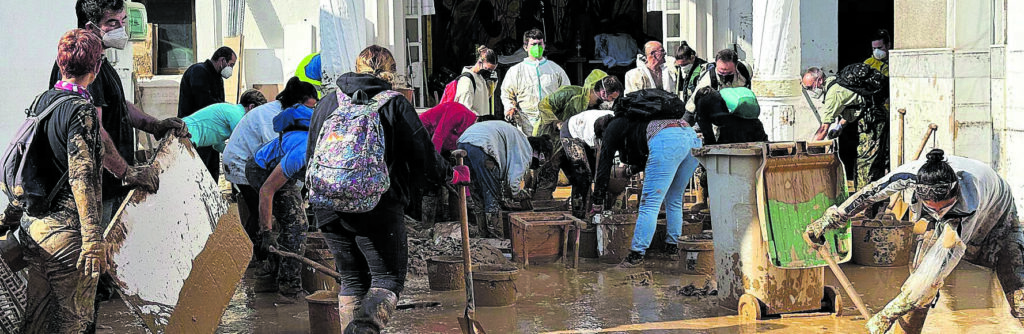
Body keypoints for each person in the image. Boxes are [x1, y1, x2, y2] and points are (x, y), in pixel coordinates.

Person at [307, 45, 457, 333]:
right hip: (377, 206)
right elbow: (423, 157)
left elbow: (311, 155)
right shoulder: (394, 104)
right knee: (387, 279)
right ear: (392, 72)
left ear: (356, 67)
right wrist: (451, 174)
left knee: (351, 279)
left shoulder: (327, 103)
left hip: (327, 203)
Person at [805, 149, 1024, 334]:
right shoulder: (907, 176)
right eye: (931, 206)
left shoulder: (969, 201)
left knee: (1019, 292)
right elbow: (868, 194)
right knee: (919, 289)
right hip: (942, 222)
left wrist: (887, 314)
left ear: (955, 193)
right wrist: (828, 220)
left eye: (943, 207)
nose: (939, 212)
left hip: (999, 218)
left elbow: (937, 270)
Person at [21, 28, 107, 333]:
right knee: (76, 322)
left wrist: (10, 216)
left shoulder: (41, 102)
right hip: (67, 237)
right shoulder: (81, 109)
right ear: (96, 68)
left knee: (37, 320)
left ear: (61, 65)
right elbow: (81, 174)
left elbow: (25, 161)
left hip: (34, 228)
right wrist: (93, 239)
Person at [223, 77, 318, 262]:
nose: (311, 113)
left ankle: (259, 257)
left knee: (273, 209)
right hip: (244, 162)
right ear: (298, 104)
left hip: (260, 159)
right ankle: (255, 256)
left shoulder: (292, 115)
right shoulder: (274, 117)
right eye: (309, 108)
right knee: (267, 211)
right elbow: (278, 163)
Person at [592, 114, 703, 267]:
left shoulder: (613, 130)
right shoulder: (633, 122)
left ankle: (636, 254)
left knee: (649, 203)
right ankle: (672, 246)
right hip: (691, 136)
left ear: (604, 132)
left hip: (667, 140)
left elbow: (604, 166)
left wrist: (597, 199)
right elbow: (646, 158)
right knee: (674, 198)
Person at [246, 103, 315, 304]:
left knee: (292, 223)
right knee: (297, 226)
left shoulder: (322, 144)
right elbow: (267, 190)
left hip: (277, 166)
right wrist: (266, 232)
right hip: (260, 169)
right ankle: (289, 289)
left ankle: (267, 278)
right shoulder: (302, 151)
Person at [532, 70, 622, 200]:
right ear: (601, 90)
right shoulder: (571, 93)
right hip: (552, 141)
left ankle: (579, 209)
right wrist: (555, 122)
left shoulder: (599, 110)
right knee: (547, 178)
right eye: (611, 97)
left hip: (575, 146)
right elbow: (545, 105)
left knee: (581, 178)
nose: (610, 101)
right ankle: (541, 210)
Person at [458, 121, 553, 238]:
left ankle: (483, 233)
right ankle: (495, 237)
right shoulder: (525, 150)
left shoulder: (518, 139)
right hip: (482, 146)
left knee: (477, 193)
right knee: (492, 196)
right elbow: (513, 184)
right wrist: (521, 195)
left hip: (464, 141)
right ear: (540, 154)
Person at [804, 66, 889, 192]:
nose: (811, 91)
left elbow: (823, 129)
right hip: (872, 117)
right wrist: (840, 126)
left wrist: (808, 151)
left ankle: (864, 203)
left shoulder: (833, 94)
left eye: (810, 87)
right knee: (872, 161)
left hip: (872, 122)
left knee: (865, 163)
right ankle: (870, 198)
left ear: (820, 81)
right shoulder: (835, 80)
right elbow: (853, 106)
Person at [178, 46, 237, 179]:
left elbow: (219, 104)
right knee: (197, 174)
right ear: (222, 60)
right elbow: (205, 103)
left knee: (211, 174)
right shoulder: (198, 72)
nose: (231, 69)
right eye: (231, 65)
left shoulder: (217, 77)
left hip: (211, 135)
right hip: (194, 132)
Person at [500, 28, 571, 135]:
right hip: (526, 125)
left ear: (544, 45)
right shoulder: (516, 71)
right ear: (525, 47)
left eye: (540, 44)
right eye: (533, 44)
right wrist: (510, 108)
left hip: (550, 125)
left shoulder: (555, 70)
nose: (537, 47)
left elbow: (567, 93)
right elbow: (506, 94)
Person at [416, 102, 478, 223]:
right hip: (425, 137)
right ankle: (428, 224)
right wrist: (434, 164)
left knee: (455, 179)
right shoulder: (458, 112)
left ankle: (456, 218)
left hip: (443, 148)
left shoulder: (470, 131)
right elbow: (438, 137)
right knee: (432, 182)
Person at [560, 111, 614, 218]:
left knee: (602, 176)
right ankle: (579, 213)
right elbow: (601, 160)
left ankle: (598, 210)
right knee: (583, 176)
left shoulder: (618, 124)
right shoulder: (593, 132)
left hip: (587, 127)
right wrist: (599, 187)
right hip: (571, 132)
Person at [183, 89, 267, 153]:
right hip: (186, 134)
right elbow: (245, 142)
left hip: (187, 134)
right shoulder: (237, 116)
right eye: (258, 113)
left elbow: (218, 146)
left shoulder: (232, 110)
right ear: (251, 107)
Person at [684, 48, 752, 114]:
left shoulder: (745, 70)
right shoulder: (708, 80)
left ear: (736, 66)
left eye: (729, 73)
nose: (725, 75)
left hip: (742, 109)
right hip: (718, 113)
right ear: (716, 64)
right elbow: (691, 106)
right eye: (721, 72)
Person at [455, 46, 498, 118]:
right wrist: (480, 119)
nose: (488, 72)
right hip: (474, 126)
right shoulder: (467, 81)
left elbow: (485, 97)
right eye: (488, 69)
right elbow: (465, 109)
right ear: (480, 62)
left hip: (482, 124)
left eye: (491, 70)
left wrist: (493, 82)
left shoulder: (480, 77)